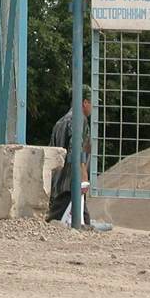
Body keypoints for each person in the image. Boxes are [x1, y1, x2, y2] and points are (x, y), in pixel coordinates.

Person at [46, 85, 92, 224]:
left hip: (59, 184)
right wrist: (83, 175)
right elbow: (76, 149)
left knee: (62, 219)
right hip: (71, 185)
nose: (93, 107)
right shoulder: (79, 120)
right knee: (79, 223)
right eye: (92, 103)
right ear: (84, 102)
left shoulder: (60, 122)